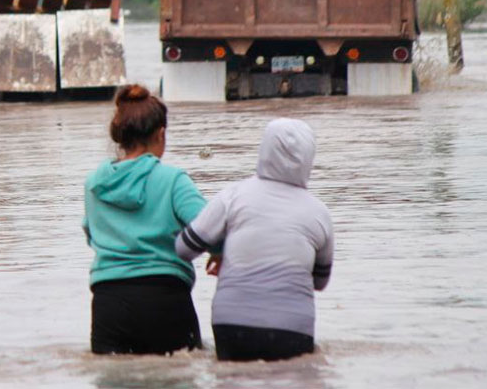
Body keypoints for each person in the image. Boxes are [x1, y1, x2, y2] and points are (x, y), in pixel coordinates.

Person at [176, 118, 334, 362]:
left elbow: (184, 248)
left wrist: (222, 251)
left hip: (231, 324)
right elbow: (320, 281)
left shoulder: (233, 196)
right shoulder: (320, 214)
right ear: (309, 158)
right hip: (292, 327)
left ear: (265, 151)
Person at [82, 84, 208, 355]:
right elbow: (209, 227)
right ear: (161, 134)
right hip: (164, 297)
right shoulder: (173, 180)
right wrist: (220, 253)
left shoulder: (93, 184)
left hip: (108, 303)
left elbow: (91, 234)